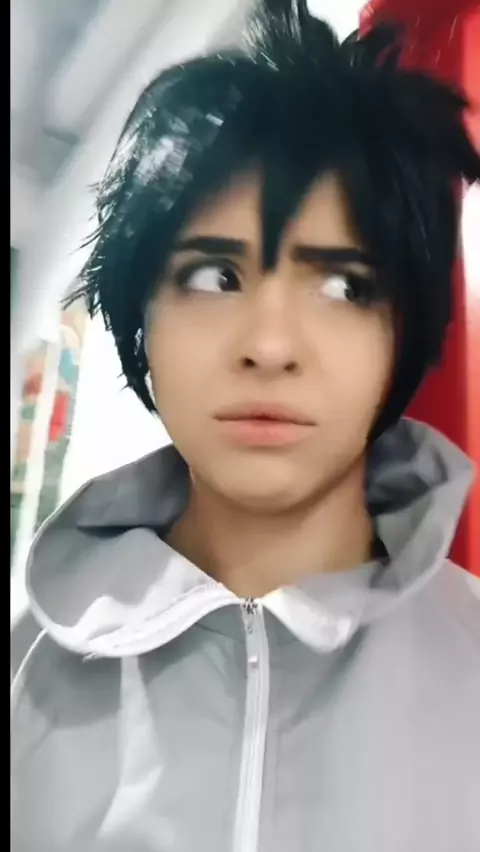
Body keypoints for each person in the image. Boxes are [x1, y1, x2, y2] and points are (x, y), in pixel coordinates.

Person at [11, 1, 480, 850]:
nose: (270, 345)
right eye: (214, 277)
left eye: (342, 286)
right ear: (142, 317)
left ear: (403, 331)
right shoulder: (23, 681)